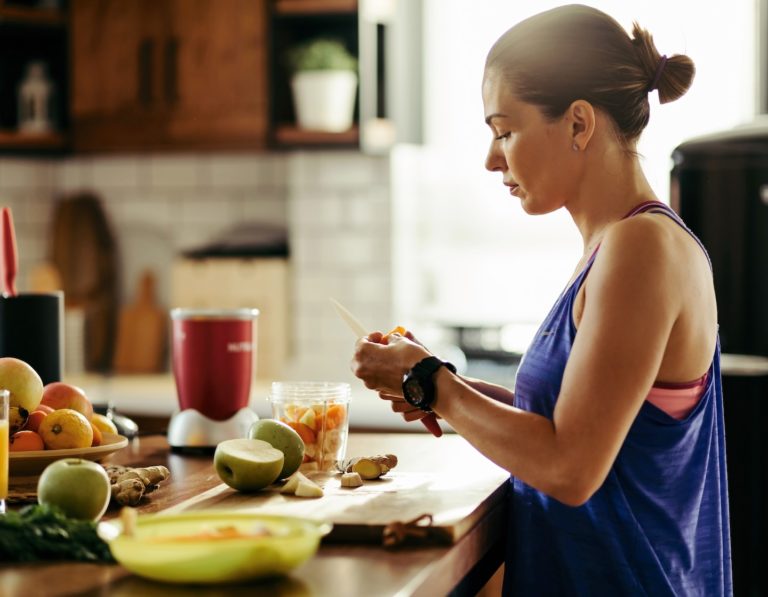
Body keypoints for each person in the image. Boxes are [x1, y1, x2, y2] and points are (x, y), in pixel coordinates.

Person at [350, 4, 731, 595]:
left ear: (578, 123)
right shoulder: (616, 247)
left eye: (504, 130)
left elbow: (570, 468)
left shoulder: (642, 249)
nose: (491, 158)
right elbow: (571, 422)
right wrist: (438, 382)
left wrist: (433, 384)